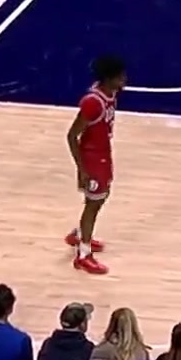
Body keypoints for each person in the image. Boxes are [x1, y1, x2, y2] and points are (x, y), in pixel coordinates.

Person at [66, 54, 127, 275]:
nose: (125, 80)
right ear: (109, 78)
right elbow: (72, 136)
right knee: (93, 204)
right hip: (92, 159)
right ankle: (83, 255)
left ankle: (80, 234)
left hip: (103, 154)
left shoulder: (110, 93)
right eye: (120, 77)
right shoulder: (93, 102)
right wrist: (82, 169)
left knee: (98, 200)